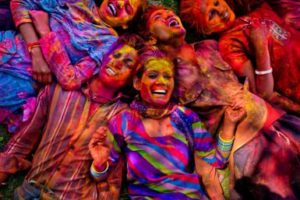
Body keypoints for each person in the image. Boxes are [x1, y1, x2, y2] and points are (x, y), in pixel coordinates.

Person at [89, 46, 246, 199]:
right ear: (137, 83)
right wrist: (99, 164)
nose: (161, 82)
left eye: (167, 76)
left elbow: (216, 161)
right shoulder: (123, 122)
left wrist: (229, 124)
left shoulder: (187, 117)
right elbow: (101, 176)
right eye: (152, 75)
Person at [0, 36, 140, 199]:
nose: (117, 63)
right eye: (115, 56)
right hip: (30, 192)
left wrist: (100, 167)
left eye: (128, 64)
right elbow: (24, 139)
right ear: (104, 58)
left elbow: (112, 182)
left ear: (133, 80)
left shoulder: (124, 118)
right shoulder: (59, 90)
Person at [174, 41, 300, 199]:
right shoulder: (163, 77)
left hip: (279, 122)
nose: (167, 15)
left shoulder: (209, 46)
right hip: (250, 151)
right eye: (158, 15)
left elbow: (262, 90)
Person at [0, 0, 145, 132]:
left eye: (128, 8)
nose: (119, 3)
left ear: (126, 25)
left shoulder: (109, 44)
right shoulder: (79, 2)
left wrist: (45, 31)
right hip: (8, 45)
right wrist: (35, 49)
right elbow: (21, 2)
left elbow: (70, 78)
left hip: (20, 81)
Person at [179, 0, 300, 116]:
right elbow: (263, 94)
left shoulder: (253, 10)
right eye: (211, 14)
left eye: (216, 3)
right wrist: (260, 47)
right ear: (206, 30)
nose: (220, 10)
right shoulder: (229, 43)